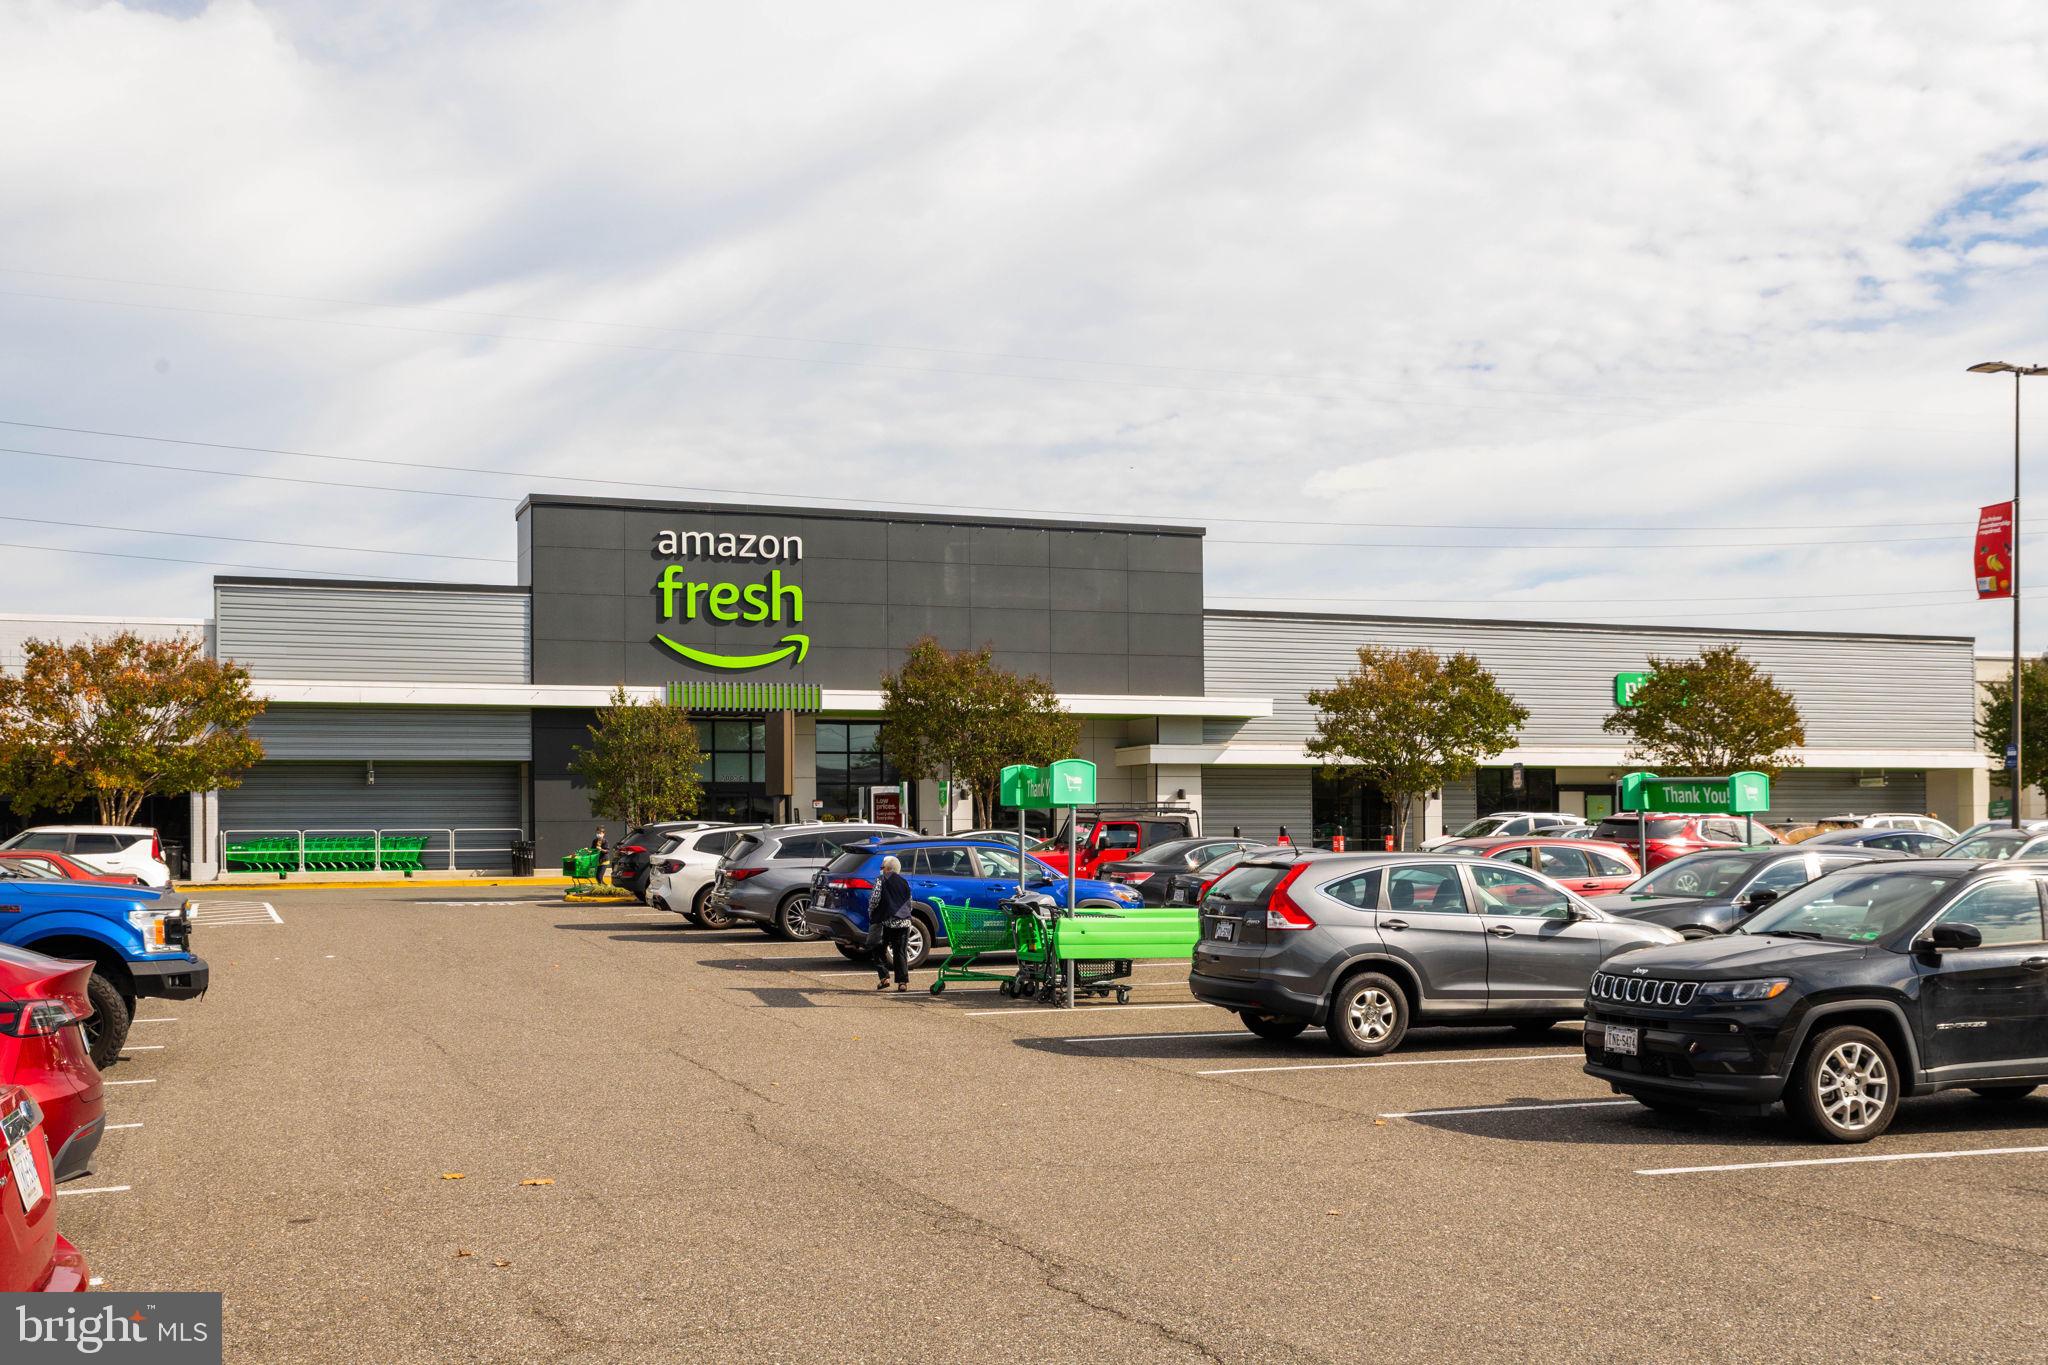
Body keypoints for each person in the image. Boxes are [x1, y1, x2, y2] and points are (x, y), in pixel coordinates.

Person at [870, 854, 914, 992]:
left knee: (877, 948)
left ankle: (884, 977)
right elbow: (909, 903)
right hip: (904, 921)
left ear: (888, 868)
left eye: (882, 867)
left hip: (886, 921)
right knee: (900, 952)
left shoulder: (880, 880)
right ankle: (902, 982)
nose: (881, 870)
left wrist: (872, 913)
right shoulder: (904, 882)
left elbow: (874, 899)